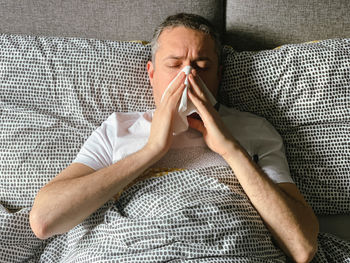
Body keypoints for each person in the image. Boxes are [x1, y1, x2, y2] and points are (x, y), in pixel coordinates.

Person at [29, 13, 319, 263]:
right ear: (152, 74)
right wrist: (153, 149)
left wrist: (231, 150)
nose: (188, 76)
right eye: (174, 64)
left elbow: (302, 248)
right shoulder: (118, 129)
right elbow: (45, 221)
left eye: (202, 66)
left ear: (219, 75)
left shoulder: (254, 129)